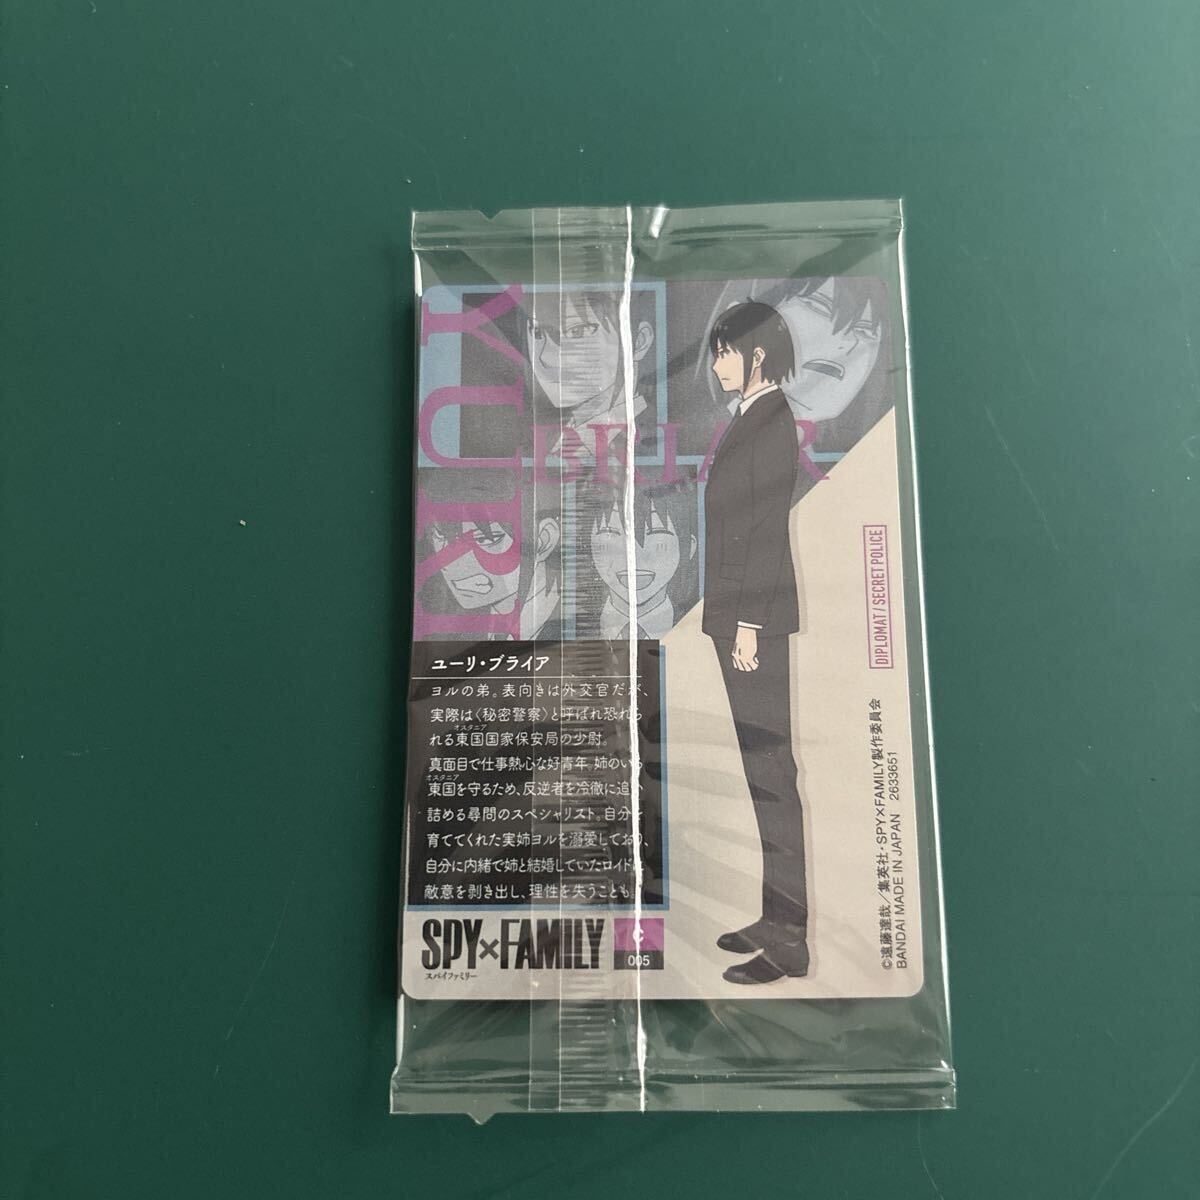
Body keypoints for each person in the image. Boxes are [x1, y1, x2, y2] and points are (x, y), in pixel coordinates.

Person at [703, 300, 809, 984]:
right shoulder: (752, 417)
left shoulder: (772, 421)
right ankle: (774, 920)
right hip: (738, 617)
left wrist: (746, 626)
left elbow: (764, 529)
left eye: (725, 353)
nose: (717, 366)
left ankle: (790, 943)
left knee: (772, 776)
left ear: (758, 355)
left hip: (753, 623)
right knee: (760, 774)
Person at [526, 290, 658, 462]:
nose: (546, 357)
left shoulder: (650, 436)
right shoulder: (554, 440)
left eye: (577, 331)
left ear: (639, 342)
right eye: (537, 333)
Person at [579, 473, 698, 640]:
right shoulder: (574, 629)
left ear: (689, 547)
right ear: (588, 545)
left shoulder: (697, 630)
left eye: (657, 536)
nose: (634, 556)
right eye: (610, 534)